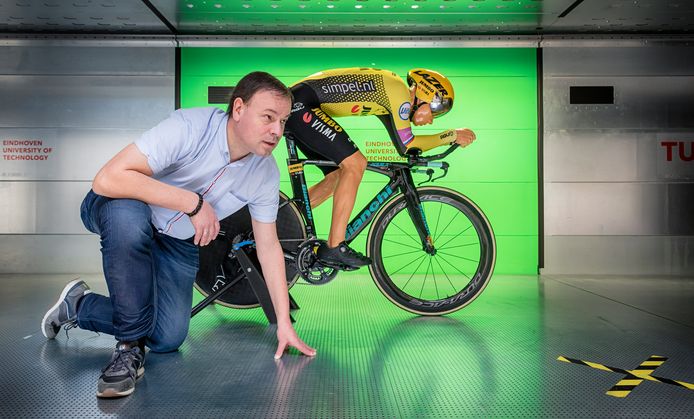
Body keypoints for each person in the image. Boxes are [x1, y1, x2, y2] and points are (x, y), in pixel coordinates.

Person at [41, 71, 316, 398]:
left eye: (283, 121)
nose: (276, 131)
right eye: (268, 117)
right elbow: (108, 178)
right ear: (239, 109)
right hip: (120, 205)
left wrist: (283, 322)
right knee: (130, 221)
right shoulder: (189, 128)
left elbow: (268, 246)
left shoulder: (265, 174)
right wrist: (193, 203)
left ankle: (78, 307)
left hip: (174, 242)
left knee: (167, 338)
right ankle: (128, 349)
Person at [284, 67, 477, 268]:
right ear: (426, 95)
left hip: (299, 104)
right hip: (301, 106)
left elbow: (403, 148)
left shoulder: (391, 94)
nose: (431, 120)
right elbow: (408, 144)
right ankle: (334, 246)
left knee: (339, 176)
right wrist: (450, 136)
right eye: (435, 111)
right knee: (356, 164)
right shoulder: (400, 93)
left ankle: (281, 219)